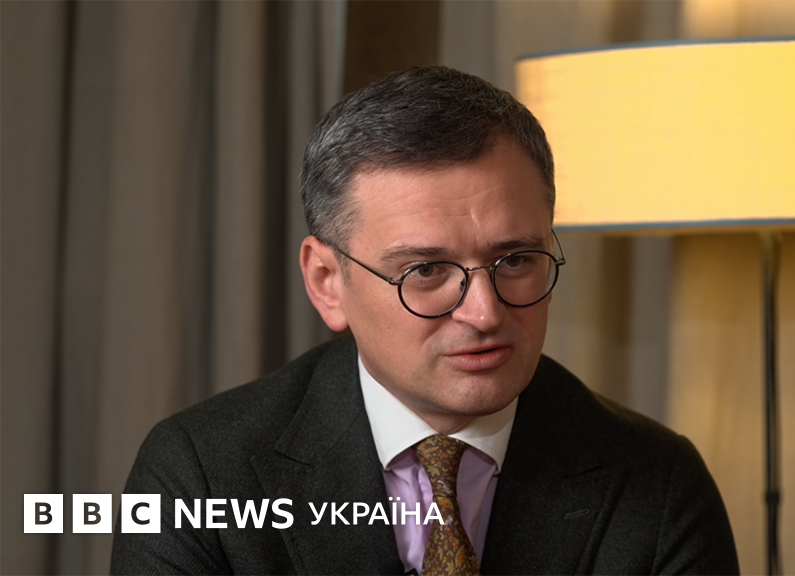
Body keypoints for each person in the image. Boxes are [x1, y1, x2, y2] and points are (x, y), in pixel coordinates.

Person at [111, 66, 739, 575]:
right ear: (327, 282)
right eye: (426, 271)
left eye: (516, 260)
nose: (485, 313)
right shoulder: (200, 475)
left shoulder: (657, 483)